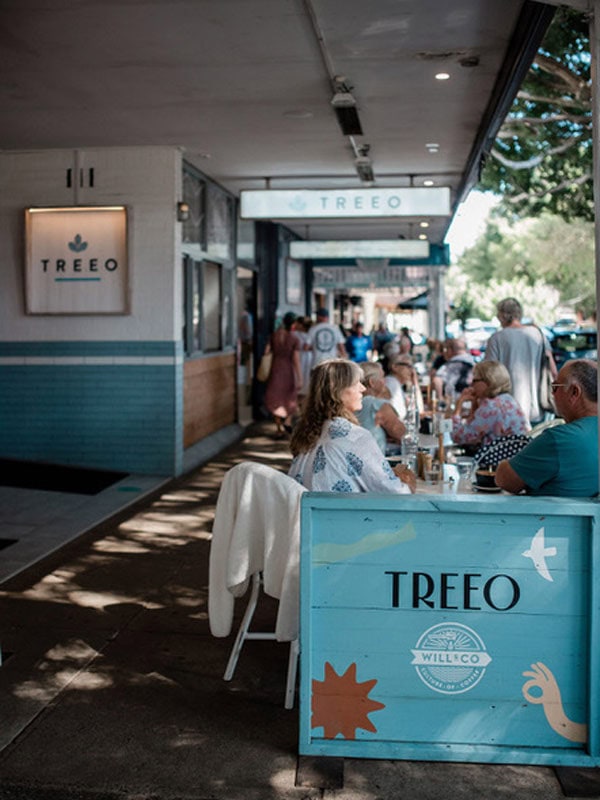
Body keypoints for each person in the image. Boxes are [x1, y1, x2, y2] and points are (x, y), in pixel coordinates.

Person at [288, 359, 415, 493]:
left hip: (312, 512)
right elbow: (395, 493)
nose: (363, 388)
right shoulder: (355, 436)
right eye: (356, 383)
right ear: (337, 391)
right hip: (343, 513)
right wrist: (409, 482)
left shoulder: (309, 433)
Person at [495, 359, 598, 497]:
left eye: (555, 387)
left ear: (574, 392)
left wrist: (504, 463)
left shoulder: (559, 439)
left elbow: (505, 481)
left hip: (550, 518)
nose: (552, 394)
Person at [485, 297, 557, 425]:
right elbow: (553, 371)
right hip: (537, 409)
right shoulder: (538, 334)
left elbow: (489, 376)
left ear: (502, 315)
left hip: (507, 412)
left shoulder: (496, 339)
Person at [450, 360, 530, 449]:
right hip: (515, 455)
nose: (471, 384)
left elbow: (458, 437)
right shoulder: (508, 399)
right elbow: (474, 426)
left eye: (475, 380)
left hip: (500, 460)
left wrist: (458, 406)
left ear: (488, 382)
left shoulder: (491, 406)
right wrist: (475, 402)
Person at [264, 311, 302, 439]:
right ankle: (287, 420)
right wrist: (300, 377)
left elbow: (266, 351)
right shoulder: (294, 339)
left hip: (275, 368)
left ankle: (279, 428)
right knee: (289, 397)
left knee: (275, 396)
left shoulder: (274, 335)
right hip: (288, 370)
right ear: (293, 324)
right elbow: (296, 360)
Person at [355, 361, 406, 454]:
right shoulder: (377, 405)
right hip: (374, 462)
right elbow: (401, 433)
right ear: (372, 382)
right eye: (382, 377)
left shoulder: (353, 403)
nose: (385, 381)